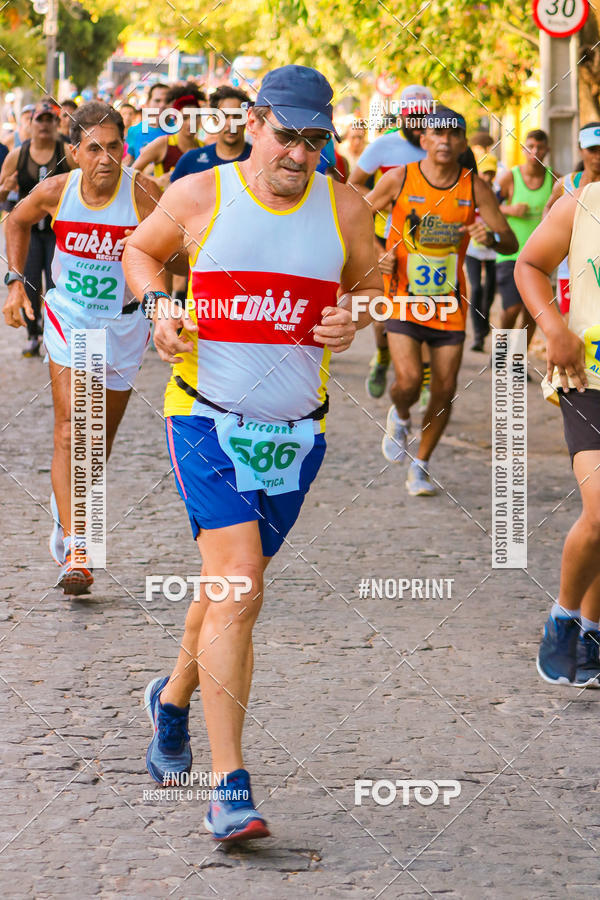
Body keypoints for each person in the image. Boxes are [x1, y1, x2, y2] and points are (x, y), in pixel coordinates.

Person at [123, 64, 381, 842]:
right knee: (238, 585)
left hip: (299, 433)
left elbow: (372, 281)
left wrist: (356, 317)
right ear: (257, 123)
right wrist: (163, 303)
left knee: (230, 584)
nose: (299, 155)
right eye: (287, 136)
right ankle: (228, 785)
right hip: (205, 418)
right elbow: (140, 252)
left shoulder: (345, 207)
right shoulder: (203, 194)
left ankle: (170, 701)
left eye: (315, 140)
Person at [2, 101, 163, 594]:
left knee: (98, 444)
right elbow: (15, 220)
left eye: (115, 147)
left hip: (123, 327)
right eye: (94, 148)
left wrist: (165, 306)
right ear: (75, 153)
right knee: (75, 425)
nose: (107, 158)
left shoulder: (143, 194)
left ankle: (67, 515)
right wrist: (14, 281)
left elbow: (175, 245)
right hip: (69, 317)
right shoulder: (56, 190)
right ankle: (79, 545)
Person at [366, 107, 517, 495]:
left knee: (445, 388)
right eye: (438, 133)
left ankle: (421, 464)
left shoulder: (473, 188)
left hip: (449, 303)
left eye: (454, 135)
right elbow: (356, 218)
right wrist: (375, 251)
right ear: (424, 139)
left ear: (464, 142)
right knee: (410, 381)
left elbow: (510, 242)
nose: (446, 141)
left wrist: (491, 239)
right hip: (402, 296)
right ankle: (400, 415)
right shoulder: (400, 178)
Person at [514, 181, 600, 687]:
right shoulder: (584, 202)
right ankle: (563, 620)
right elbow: (530, 265)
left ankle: (593, 632)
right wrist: (554, 329)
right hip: (587, 379)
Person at [349, 85, 432, 398]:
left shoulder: (437, 145)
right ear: (402, 117)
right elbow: (354, 185)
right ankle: (383, 356)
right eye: (413, 119)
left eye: (424, 119)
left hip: (428, 241)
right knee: (383, 313)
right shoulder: (383, 146)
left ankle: (423, 379)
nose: (419, 126)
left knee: (424, 305)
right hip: (386, 238)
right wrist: (380, 203)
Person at [0, 101, 75, 356]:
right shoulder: (17, 156)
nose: (44, 125)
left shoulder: (66, 151)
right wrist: (5, 188)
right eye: (39, 120)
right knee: (29, 284)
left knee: (59, 286)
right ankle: (33, 334)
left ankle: (56, 335)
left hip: (59, 233)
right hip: (28, 233)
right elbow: (0, 194)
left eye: (49, 120)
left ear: (57, 124)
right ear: (30, 125)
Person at [496, 129, 557, 353]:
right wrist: (510, 209)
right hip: (509, 253)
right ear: (524, 150)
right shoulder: (510, 177)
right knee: (512, 308)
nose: (535, 151)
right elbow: (487, 207)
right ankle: (501, 349)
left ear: (547, 150)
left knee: (533, 312)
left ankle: (517, 359)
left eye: (540, 147)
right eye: (530, 146)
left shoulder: (554, 180)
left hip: (540, 257)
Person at [543, 122, 600, 316]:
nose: (598, 156)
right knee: (572, 322)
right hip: (570, 269)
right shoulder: (565, 183)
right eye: (592, 149)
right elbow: (548, 212)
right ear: (580, 150)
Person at [170, 85, 251, 181]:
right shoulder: (190, 160)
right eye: (224, 116)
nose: (231, 123)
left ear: (247, 118)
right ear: (214, 120)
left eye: (237, 116)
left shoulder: (259, 159)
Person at [133, 84, 205, 190]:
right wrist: (156, 181)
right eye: (185, 118)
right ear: (175, 120)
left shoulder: (204, 148)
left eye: (195, 117)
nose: (191, 123)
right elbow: (130, 172)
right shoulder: (163, 144)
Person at [465, 153, 499, 351]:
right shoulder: (471, 192)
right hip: (473, 250)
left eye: (491, 174)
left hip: (495, 250)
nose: (487, 177)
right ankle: (478, 335)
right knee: (476, 289)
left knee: (490, 292)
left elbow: (504, 212)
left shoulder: (498, 192)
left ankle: (484, 323)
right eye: (485, 173)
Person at [123, 82, 170, 166]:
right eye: (157, 100)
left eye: (167, 101)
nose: (162, 105)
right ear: (148, 103)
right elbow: (127, 162)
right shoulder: (134, 131)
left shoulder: (180, 131)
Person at [1, 104, 34, 214]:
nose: (29, 121)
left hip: (31, 194)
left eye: (32, 118)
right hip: (12, 194)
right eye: (27, 118)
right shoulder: (11, 138)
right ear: (21, 119)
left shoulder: (40, 140)